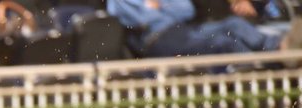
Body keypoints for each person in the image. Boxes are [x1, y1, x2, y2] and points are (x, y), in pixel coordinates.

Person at [107, 0, 301, 56]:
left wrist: (159, 5)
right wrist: (162, 7)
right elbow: (142, 19)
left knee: (233, 24)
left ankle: (279, 47)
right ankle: (272, 64)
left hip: (181, 29)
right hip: (156, 39)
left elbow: (187, 9)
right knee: (223, 43)